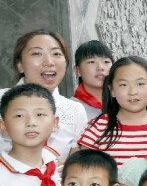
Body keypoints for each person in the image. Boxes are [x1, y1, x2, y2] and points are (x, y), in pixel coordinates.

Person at [0, 29, 87, 158]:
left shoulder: (75, 111)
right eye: (37, 53)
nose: (49, 62)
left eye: (56, 54)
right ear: (20, 65)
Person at [77, 56, 147, 165]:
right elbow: (85, 169)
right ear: (112, 89)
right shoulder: (98, 127)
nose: (132, 92)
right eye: (123, 85)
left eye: (140, 84)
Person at [72, 40, 114, 120]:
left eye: (106, 62)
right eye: (91, 62)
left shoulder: (123, 102)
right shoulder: (71, 109)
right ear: (78, 70)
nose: (100, 67)